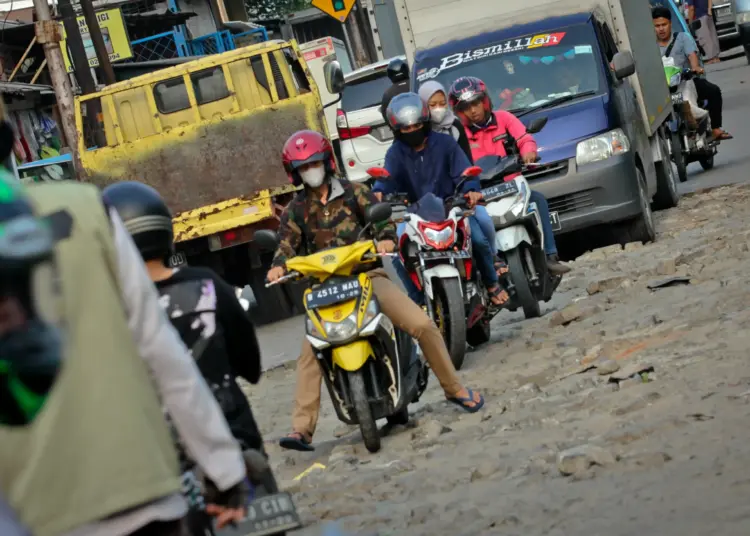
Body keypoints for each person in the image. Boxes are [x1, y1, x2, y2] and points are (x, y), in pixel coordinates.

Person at [0, 125, 250, 534]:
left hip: (35, 511)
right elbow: (160, 349)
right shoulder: (87, 207)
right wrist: (224, 470)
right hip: (142, 492)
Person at [269, 129, 484, 451]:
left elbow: (381, 223)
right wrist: (278, 265)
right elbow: (285, 246)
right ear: (295, 173)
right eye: (302, 167)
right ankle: (302, 429)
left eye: (313, 163)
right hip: (325, 290)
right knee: (309, 352)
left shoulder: (356, 193)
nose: (309, 171)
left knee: (422, 325)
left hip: (368, 278)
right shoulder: (295, 210)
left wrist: (384, 237)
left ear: (326, 161)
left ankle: (455, 389)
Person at [102, 181, 268, 534]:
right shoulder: (207, 284)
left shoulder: (109, 313)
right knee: (267, 516)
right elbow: (249, 365)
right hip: (233, 436)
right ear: (165, 230)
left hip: (158, 461)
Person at [375, 92, 508, 307]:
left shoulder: (445, 143)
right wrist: (379, 192)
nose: (411, 132)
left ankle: (492, 284)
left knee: (478, 241)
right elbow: (386, 179)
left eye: (416, 126)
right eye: (405, 129)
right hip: (414, 215)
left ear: (425, 122)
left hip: (451, 207)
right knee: (397, 254)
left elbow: (466, 172)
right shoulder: (395, 153)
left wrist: (471, 190)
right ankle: (417, 301)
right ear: (397, 131)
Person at [448, 76, 571, 276]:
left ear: (485, 100)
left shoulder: (504, 118)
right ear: (459, 112)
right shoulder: (458, 134)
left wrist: (528, 151)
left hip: (511, 184)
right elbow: (453, 160)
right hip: (479, 192)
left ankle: (550, 255)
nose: (473, 110)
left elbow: (524, 138)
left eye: (477, 103)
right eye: (466, 107)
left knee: (539, 201)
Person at [652, 6, 733, 141]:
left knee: (714, 91)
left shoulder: (683, 38)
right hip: (663, 88)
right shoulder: (651, 46)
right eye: (657, 26)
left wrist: (695, 67)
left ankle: (715, 129)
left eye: (664, 24)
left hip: (686, 80)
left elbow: (692, 55)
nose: (661, 29)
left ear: (670, 23)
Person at [418, 80, 473, 162]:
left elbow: (466, 159)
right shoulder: (418, 128)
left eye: (443, 103)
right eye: (433, 105)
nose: (438, 108)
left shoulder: (455, 125)